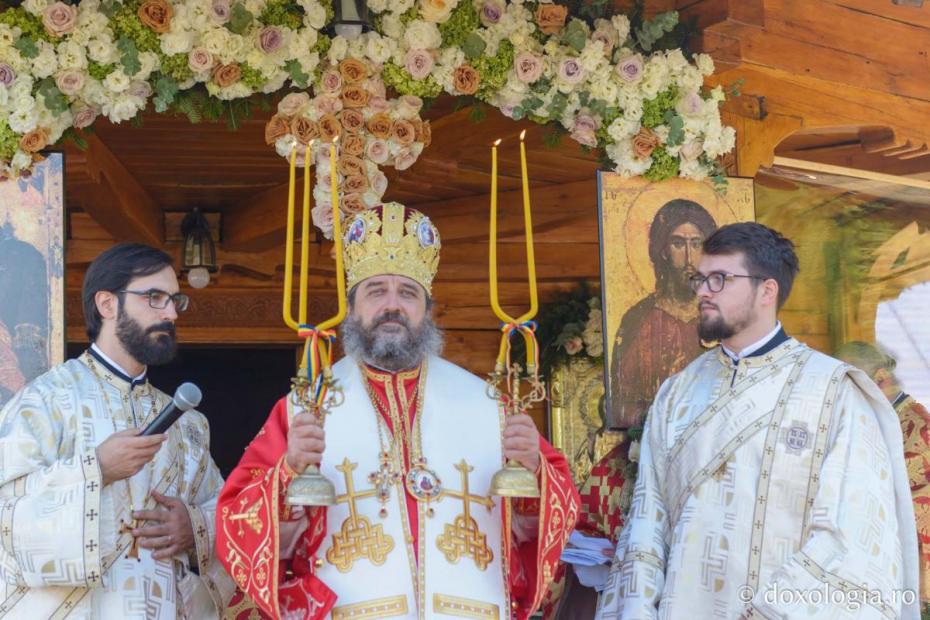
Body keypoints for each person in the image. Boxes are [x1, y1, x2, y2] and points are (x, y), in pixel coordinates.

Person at [217, 203, 580, 619]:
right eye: (376, 291)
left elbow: (546, 527)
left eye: (408, 293)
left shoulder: (489, 405)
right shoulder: (304, 409)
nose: (393, 305)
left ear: (427, 309)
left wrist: (536, 471)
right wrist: (286, 474)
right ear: (351, 308)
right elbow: (238, 527)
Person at [596, 222, 920, 619]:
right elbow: (648, 518)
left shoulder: (834, 392)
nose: (701, 291)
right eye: (701, 279)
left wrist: (770, 611)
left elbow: (849, 533)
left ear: (767, 290)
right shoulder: (677, 393)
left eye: (719, 279)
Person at [0, 243, 234, 618]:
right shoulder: (44, 402)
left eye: (175, 300)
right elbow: (6, 512)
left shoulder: (189, 425)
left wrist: (195, 527)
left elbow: (225, 510)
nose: (171, 313)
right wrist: (96, 469)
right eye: (155, 297)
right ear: (107, 305)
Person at [835, 341, 930, 605]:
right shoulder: (877, 416)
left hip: (918, 563)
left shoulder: (918, 425)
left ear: (881, 379)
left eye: (855, 386)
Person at [609, 200, 716, 428]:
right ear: (663, 250)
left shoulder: (723, 318)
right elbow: (619, 403)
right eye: (678, 244)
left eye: (696, 244)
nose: (689, 258)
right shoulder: (638, 320)